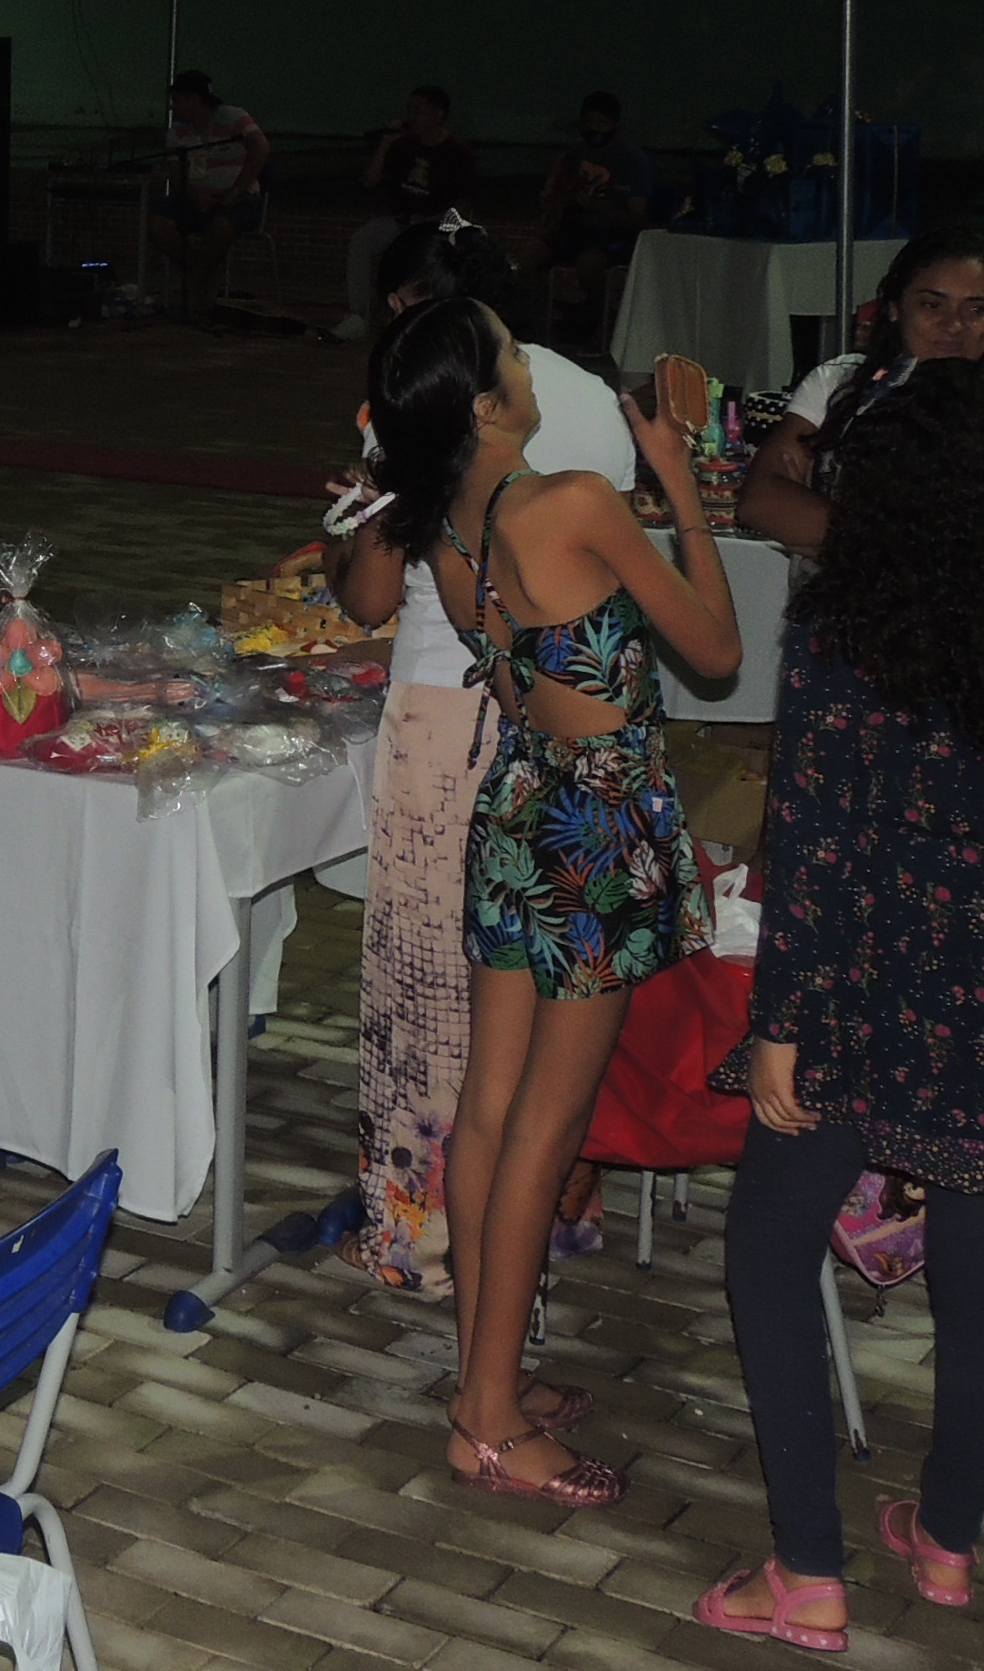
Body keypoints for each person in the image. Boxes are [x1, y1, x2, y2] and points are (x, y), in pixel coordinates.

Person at [693, 359, 984, 1647]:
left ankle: (808, 1569)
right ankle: (949, 1543)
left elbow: (817, 845)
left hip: (863, 992)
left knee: (766, 1249)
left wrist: (780, 1024)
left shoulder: (849, 636)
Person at [365, 294, 737, 1507]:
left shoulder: (448, 529)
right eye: (516, 356)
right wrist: (679, 486)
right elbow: (717, 653)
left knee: (489, 1115)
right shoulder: (571, 502)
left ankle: (489, 1380)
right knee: (543, 1126)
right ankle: (485, 1416)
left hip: (520, 805)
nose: (533, 367)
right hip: (598, 824)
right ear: (485, 404)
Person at [324, 216, 636, 1300]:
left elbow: (370, 596)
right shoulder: (584, 399)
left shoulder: (427, 401)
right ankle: (553, 1212)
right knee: (550, 992)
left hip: (445, 716)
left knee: (428, 993)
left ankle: (425, 1242)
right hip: (571, 722)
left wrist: (346, 519)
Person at [741, 228, 984, 557]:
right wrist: (906, 545)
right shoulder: (841, 383)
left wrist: (821, 521)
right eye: (932, 305)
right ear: (894, 307)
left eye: (976, 310)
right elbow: (760, 501)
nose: (954, 324)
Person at [339, 85, 480, 340]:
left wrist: (435, 220)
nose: (412, 117)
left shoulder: (457, 152)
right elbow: (370, 181)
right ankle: (358, 316)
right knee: (362, 240)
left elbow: (465, 203)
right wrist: (385, 145)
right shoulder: (404, 146)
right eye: (410, 110)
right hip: (400, 222)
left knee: (424, 257)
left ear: (438, 114)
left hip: (437, 226)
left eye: (419, 111)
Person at [510, 91, 651, 346]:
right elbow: (556, 181)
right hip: (572, 229)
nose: (594, 129)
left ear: (615, 124)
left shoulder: (632, 160)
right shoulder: (577, 152)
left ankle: (598, 321)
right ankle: (533, 327)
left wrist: (597, 208)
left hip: (611, 236)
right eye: (589, 123)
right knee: (528, 257)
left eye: (601, 123)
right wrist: (552, 199)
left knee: (588, 265)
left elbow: (637, 219)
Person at [150, 66, 271, 327]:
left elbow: (260, 148)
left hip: (238, 198)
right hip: (195, 198)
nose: (173, 107)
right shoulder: (177, 132)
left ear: (194, 99)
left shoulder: (234, 117)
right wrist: (195, 195)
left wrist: (235, 191)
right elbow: (177, 178)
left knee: (222, 225)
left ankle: (194, 287)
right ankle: (203, 270)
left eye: (177, 100)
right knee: (159, 224)